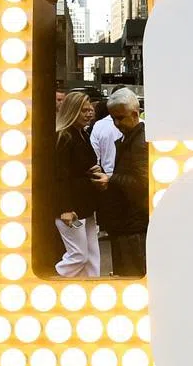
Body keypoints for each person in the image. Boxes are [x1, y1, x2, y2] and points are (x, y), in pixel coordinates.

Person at [54, 92, 108, 278]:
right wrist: (65, 208)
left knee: (92, 255)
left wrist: (92, 170)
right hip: (73, 207)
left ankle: (91, 288)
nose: (89, 113)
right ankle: (54, 278)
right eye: (84, 110)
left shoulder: (81, 134)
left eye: (90, 109)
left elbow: (75, 168)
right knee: (79, 255)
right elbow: (59, 176)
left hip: (85, 205)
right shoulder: (64, 137)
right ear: (72, 111)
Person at [97, 89, 149, 277]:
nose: (117, 124)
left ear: (135, 114)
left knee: (130, 274)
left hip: (132, 224)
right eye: (114, 119)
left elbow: (142, 182)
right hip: (128, 223)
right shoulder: (134, 139)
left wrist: (111, 178)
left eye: (120, 118)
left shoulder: (139, 143)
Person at [90, 101, 125, 177]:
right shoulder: (142, 124)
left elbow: (95, 154)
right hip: (129, 177)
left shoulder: (99, 125)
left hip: (106, 175)